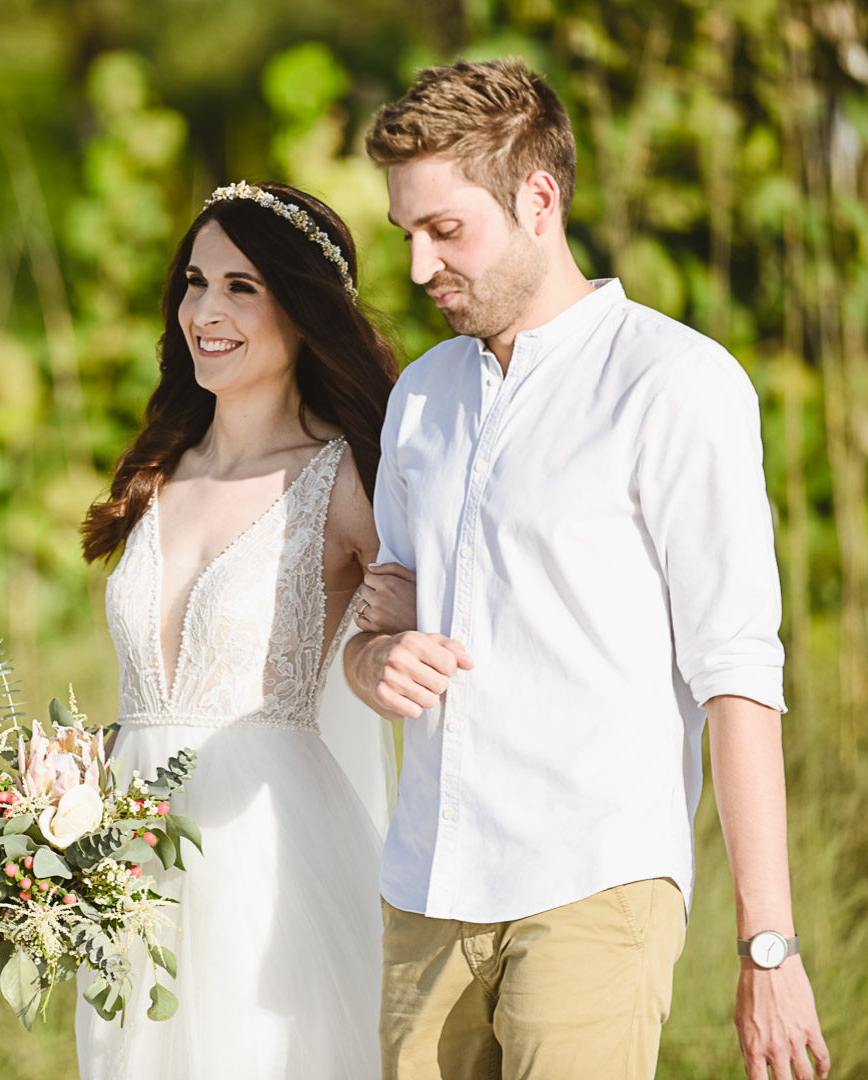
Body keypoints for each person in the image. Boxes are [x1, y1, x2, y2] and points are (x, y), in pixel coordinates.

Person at [348, 57, 831, 1080]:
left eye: (447, 231)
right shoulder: (422, 397)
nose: (421, 266)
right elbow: (383, 601)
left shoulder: (677, 385)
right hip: (424, 886)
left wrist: (769, 945)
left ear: (538, 197)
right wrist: (373, 657)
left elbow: (737, 669)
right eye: (408, 236)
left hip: (593, 881)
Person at [76, 180, 412, 1078]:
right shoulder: (157, 468)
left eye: (241, 287)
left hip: (269, 860)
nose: (204, 311)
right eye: (194, 281)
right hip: (130, 866)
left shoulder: (347, 479)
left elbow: (411, 648)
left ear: (304, 310)